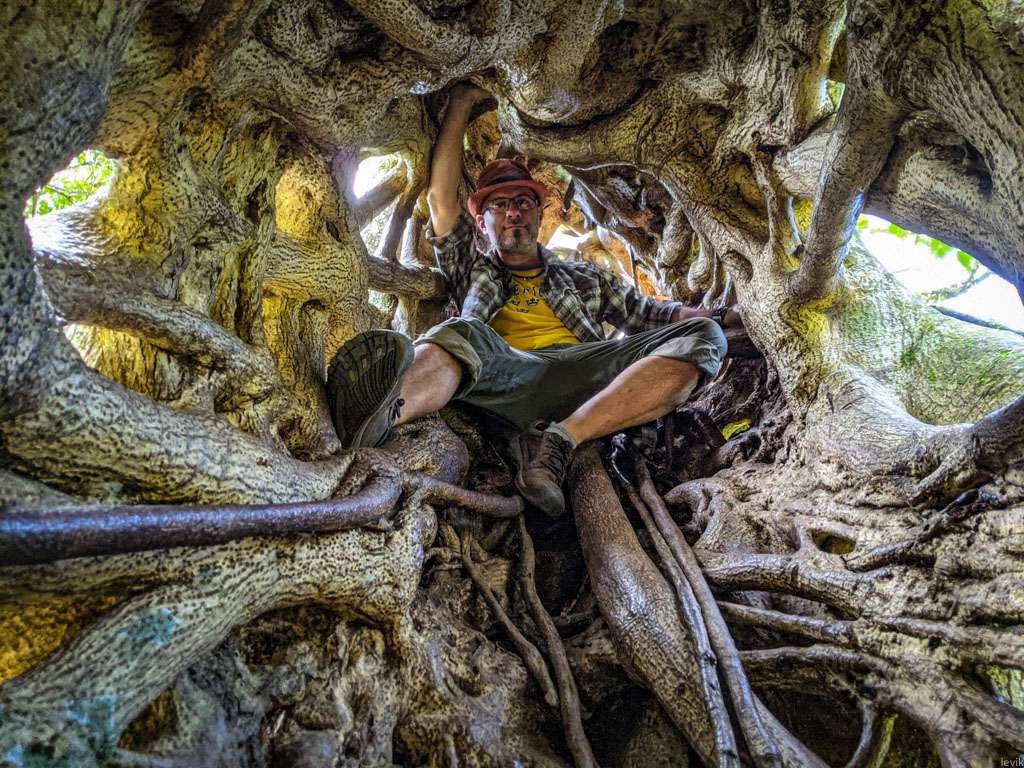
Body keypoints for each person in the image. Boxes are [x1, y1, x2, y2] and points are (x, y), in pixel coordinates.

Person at [327, 83, 740, 517]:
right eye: (499, 205)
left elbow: (657, 315)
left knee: (704, 335)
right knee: (462, 332)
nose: (513, 212)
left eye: (523, 202)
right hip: (505, 375)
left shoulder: (585, 277)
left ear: (539, 214)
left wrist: (728, 315)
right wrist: (461, 104)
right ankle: (381, 416)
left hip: (584, 377)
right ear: (482, 223)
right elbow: (438, 198)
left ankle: (560, 440)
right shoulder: (474, 267)